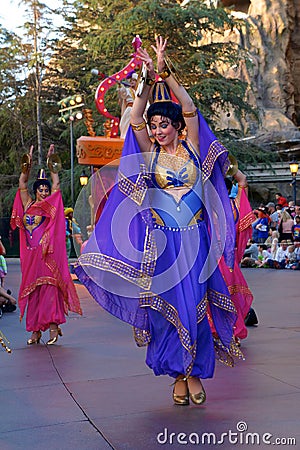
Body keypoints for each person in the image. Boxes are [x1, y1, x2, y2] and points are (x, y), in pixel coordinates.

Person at [75, 36, 241, 406]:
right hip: (164, 245)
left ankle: (193, 372)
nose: (157, 130)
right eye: (154, 126)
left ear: (177, 127)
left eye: (164, 124)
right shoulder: (150, 156)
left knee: (195, 308)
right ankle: (178, 375)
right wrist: (147, 80)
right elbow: (135, 118)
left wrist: (167, 71)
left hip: (194, 241)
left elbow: (191, 107)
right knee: (167, 312)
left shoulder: (194, 149)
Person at [10, 144, 82, 345]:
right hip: (31, 258)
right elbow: (22, 182)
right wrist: (27, 164)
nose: (43, 191)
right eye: (40, 189)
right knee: (33, 294)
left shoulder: (50, 207)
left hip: (47, 258)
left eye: (46, 189)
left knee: (49, 291)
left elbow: (56, 185)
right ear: (35, 191)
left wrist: (53, 166)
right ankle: (35, 331)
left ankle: (52, 328)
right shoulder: (28, 205)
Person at [219, 174, 255, 344]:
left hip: (221, 260)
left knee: (224, 294)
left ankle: (228, 331)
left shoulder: (230, 207)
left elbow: (242, 182)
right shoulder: (208, 206)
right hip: (218, 260)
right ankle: (224, 332)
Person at [117, 71, 139, 138]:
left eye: (134, 80)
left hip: (139, 111)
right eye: (131, 80)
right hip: (130, 110)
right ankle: (126, 137)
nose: (132, 82)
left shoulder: (139, 91)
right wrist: (120, 85)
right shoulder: (128, 90)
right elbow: (123, 93)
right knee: (126, 124)